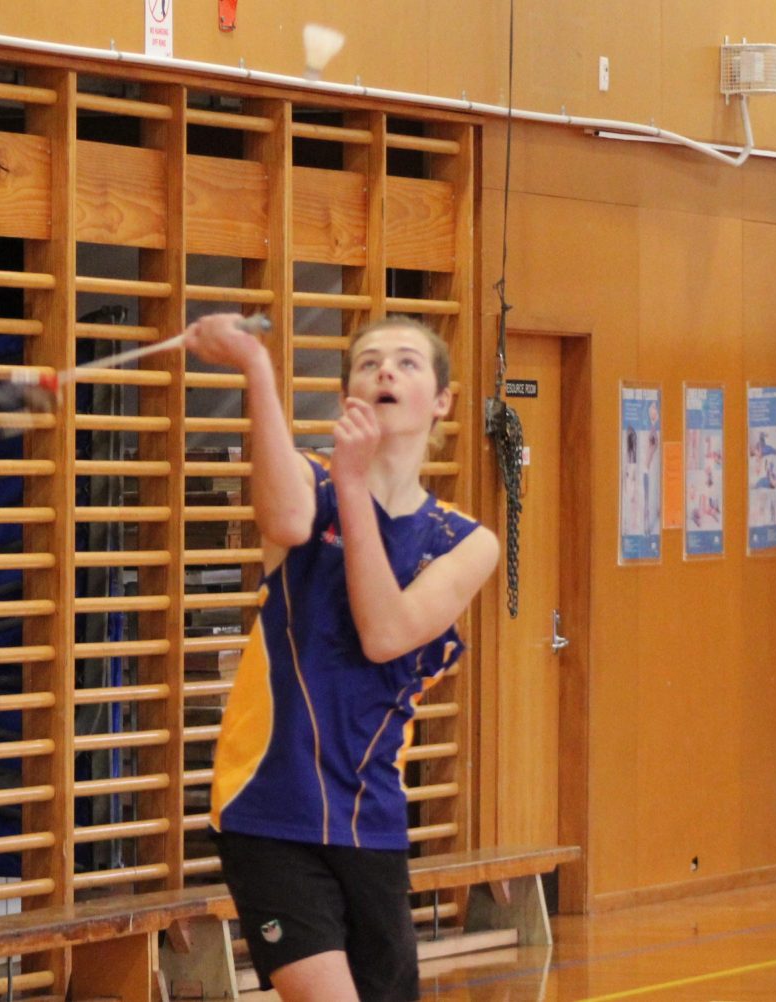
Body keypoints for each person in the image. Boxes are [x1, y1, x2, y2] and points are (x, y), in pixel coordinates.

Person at [183, 313, 499, 1002]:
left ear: (442, 401)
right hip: (269, 805)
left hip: (372, 819)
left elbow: (385, 631)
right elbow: (286, 523)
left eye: (409, 363)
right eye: (369, 362)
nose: (387, 370)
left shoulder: (465, 542)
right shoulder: (308, 483)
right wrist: (256, 370)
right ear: (348, 394)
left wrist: (355, 489)